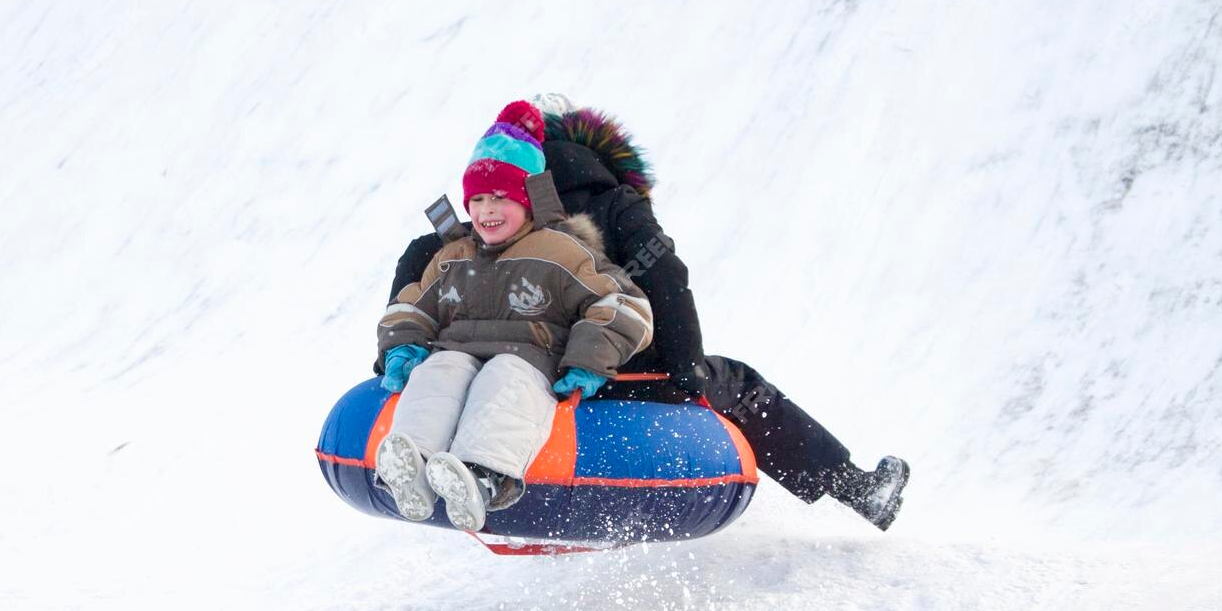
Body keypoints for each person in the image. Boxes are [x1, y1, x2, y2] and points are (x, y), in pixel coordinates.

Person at [388, 98, 910, 530]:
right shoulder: (614, 202)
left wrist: (398, 354)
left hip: (499, 365)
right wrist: (686, 369)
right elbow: (665, 277)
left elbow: (419, 261)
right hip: (620, 372)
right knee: (739, 385)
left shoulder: (487, 209)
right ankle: (856, 487)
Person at [374, 100, 654, 533]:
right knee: (439, 370)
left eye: (501, 198)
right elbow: (414, 304)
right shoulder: (453, 256)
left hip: (530, 357)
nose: (488, 210)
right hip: (459, 351)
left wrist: (588, 360)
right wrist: (403, 346)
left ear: (530, 201)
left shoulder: (561, 251)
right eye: (479, 199)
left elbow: (621, 304)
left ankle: (485, 477)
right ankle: (413, 466)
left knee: (504, 376)